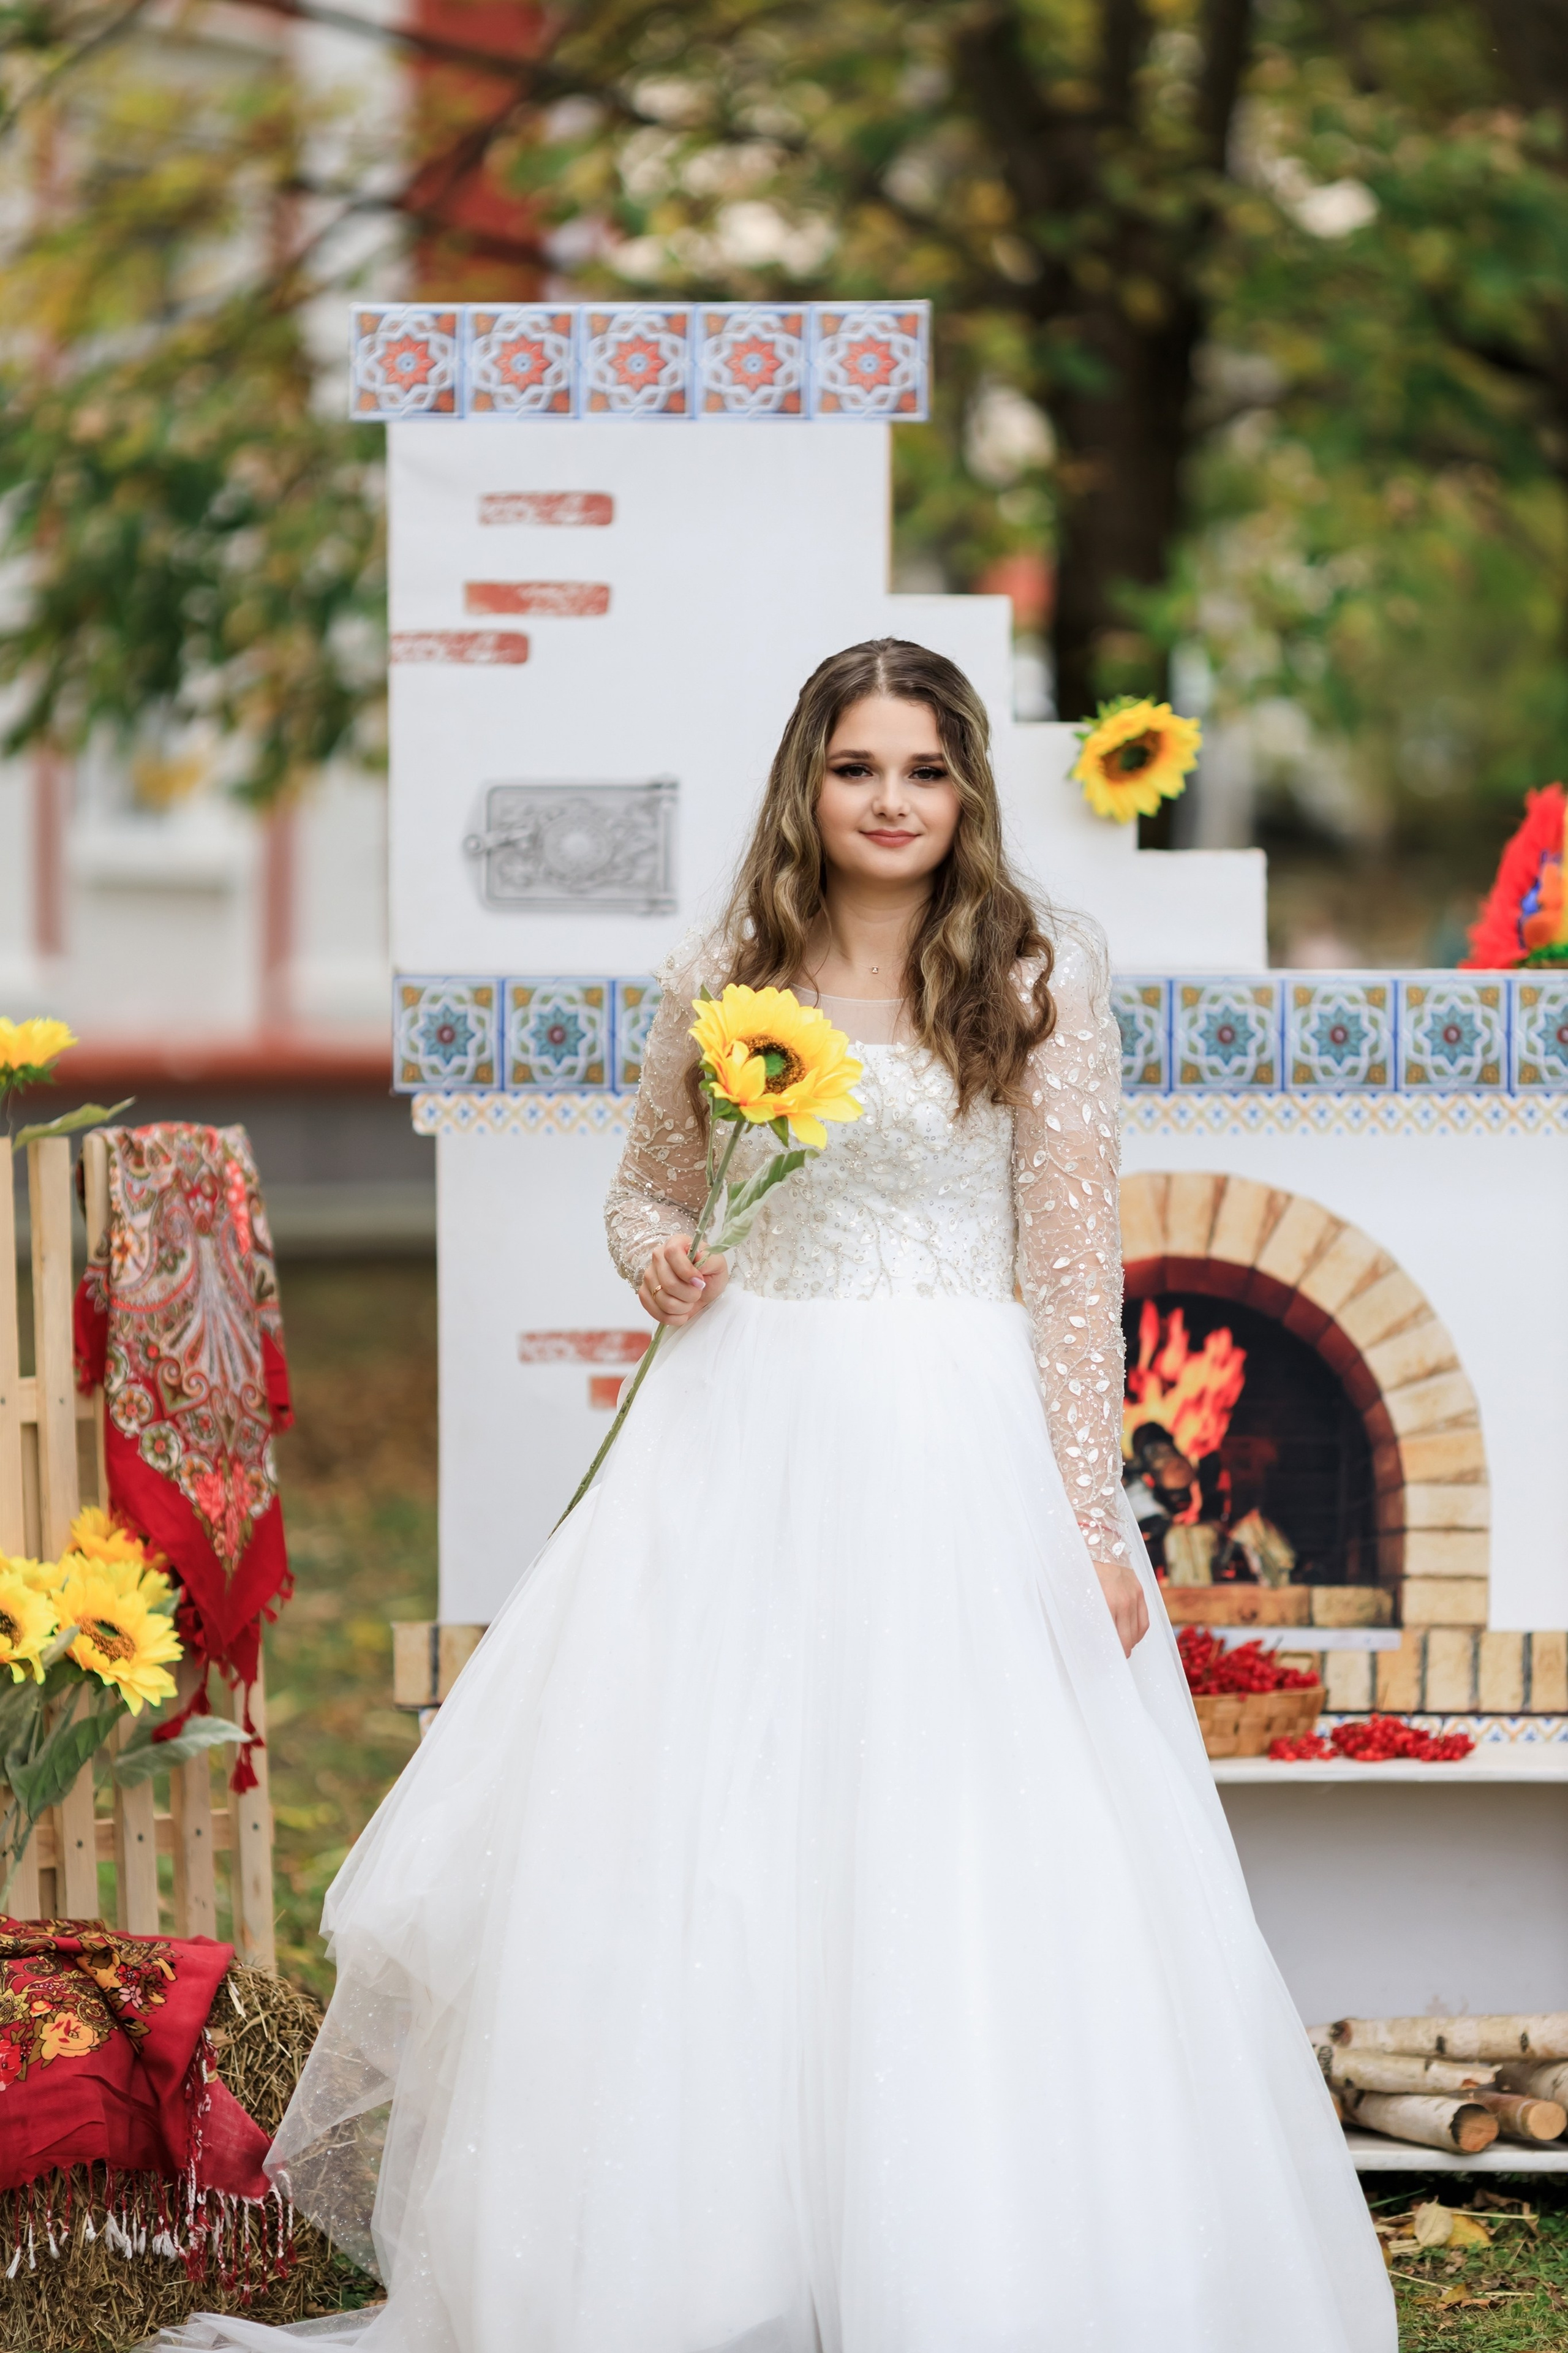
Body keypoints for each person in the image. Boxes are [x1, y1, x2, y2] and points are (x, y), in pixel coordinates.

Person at [171, 640, 1393, 2353]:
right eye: (856, 768)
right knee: (715, 1828)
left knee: (959, 1838)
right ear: (806, 787)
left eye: (923, 769)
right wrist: (660, 1256)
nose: (890, 801)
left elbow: (1070, 1271)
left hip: (950, 1433)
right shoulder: (728, 972)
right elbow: (638, 1196)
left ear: (967, 790)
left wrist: (1086, 1518)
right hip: (747, 1425)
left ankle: (970, 2242)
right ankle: (705, 2250)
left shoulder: (1038, 973)